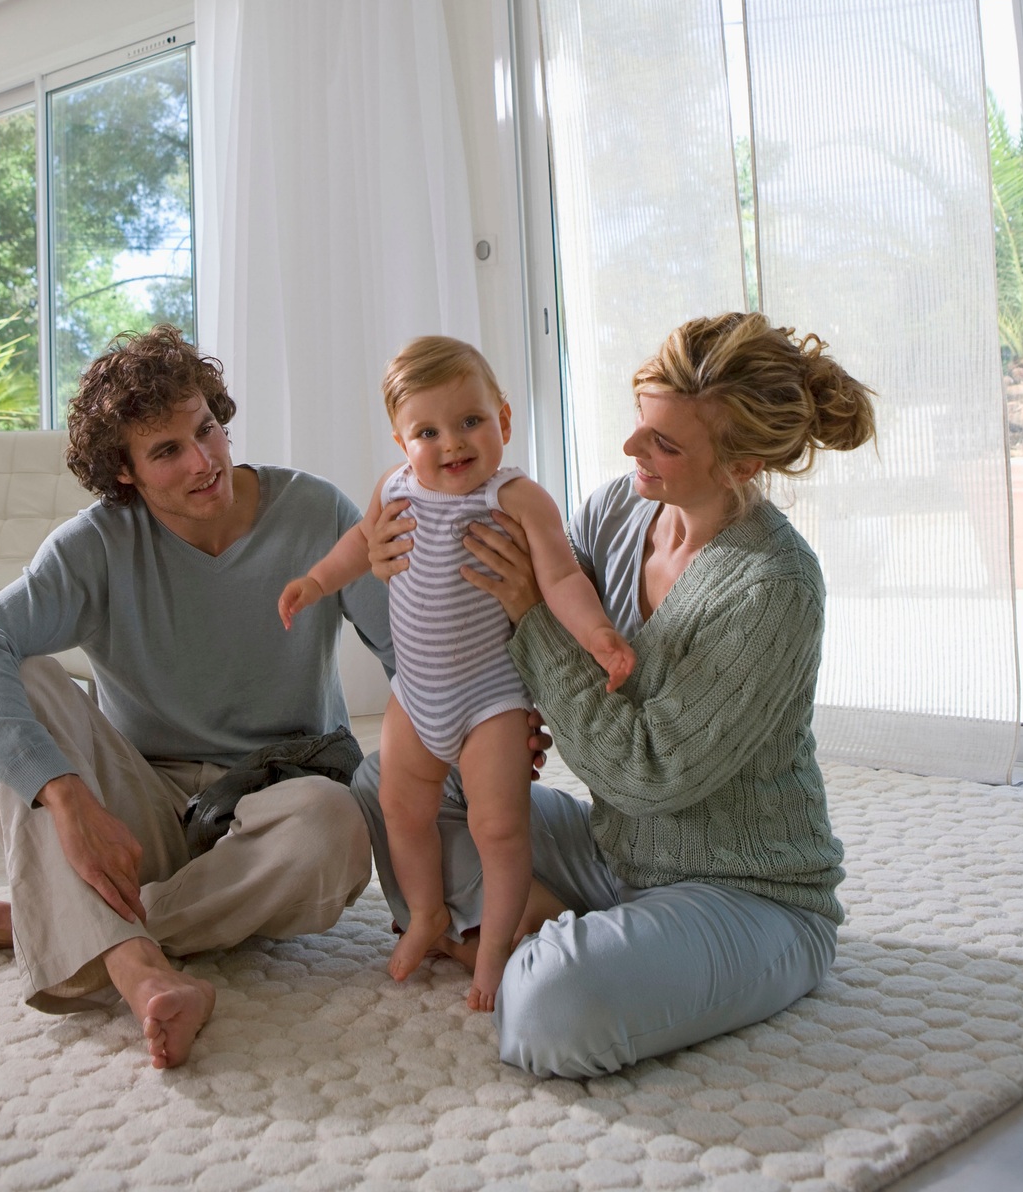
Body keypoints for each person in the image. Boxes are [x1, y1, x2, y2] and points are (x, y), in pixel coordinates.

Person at [352, 311, 876, 1079]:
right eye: (640, 423)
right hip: (614, 854)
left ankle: (548, 947)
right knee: (388, 781)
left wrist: (531, 624)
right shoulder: (618, 509)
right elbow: (515, 635)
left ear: (739, 465)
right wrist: (395, 556)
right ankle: (562, 932)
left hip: (744, 890)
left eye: (663, 443)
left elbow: (647, 772)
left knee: (548, 1014)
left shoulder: (773, 586)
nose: (632, 448)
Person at [0, 325, 393, 1069]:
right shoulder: (94, 545)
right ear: (126, 476)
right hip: (141, 805)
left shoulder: (315, 512)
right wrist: (70, 803)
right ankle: (143, 974)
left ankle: (55, 916)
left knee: (337, 826)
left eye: (205, 429)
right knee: (10, 674)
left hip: (280, 793)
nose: (202, 461)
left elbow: (405, 655)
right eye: (166, 451)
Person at [278, 336, 636, 1011]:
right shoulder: (395, 486)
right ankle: (426, 915)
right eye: (428, 431)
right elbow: (361, 542)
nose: (452, 443)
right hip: (413, 696)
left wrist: (598, 636)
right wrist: (315, 582)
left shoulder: (519, 498)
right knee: (399, 810)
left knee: (498, 829)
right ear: (400, 440)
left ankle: (494, 946)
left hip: (489, 703)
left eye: (470, 422)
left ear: (502, 421)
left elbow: (558, 577)